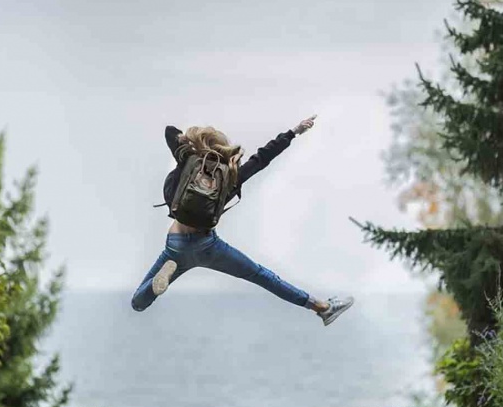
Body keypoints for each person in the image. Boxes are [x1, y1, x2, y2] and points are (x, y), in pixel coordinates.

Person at [131, 115, 354, 326]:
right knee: (261, 276)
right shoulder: (230, 175)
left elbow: (170, 131)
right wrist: (293, 132)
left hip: (176, 245)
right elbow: (263, 158)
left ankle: (156, 284)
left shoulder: (188, 161)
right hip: (207, 246)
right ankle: (322, 308)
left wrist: (191, 144)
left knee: (138, 304)